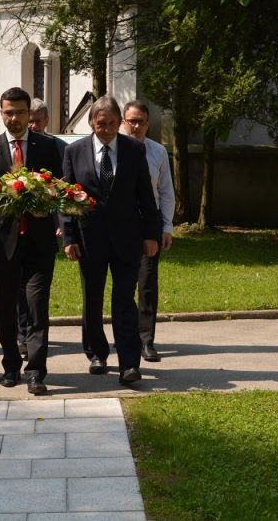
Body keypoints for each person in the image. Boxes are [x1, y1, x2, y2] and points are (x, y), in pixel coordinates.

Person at [61, 95, 160, 385]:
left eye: (113, 124)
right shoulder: (74, 152)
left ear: (120, 124)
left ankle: (130, 363)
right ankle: (97, 354)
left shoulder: (133, 149)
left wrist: (151, 235)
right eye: (101, 124)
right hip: (89, 239)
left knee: (123, 301)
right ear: (92, 123)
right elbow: (67, 198)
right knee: (92, 300)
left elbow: (146, 196)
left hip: (127, 240)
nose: (106, 130)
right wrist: (68, 236)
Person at [0, 87, 62, 396]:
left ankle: (36, 370)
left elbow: (60, 190)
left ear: (30, 115)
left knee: (37, 306)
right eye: (8, 112)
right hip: (2, 243)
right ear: (1, 114)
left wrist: (50, 211)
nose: (14, 118)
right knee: (6, 309)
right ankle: (11, 364)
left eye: (20, 112)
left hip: (39, 243)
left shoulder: (49, 147)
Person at [13, 98, 68, 359]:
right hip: (14, 232)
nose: (33, 124)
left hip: (42, 230)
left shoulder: (55, 147)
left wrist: (60, 224)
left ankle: (29, 337)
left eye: (37, 120)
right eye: (29, 119)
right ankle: (22, 333)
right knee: (17, 289)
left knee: (35, 291)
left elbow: (62, 187)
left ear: (46, 121)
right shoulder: (11, 147)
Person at [120, 100, 174, 362]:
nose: (137, 126)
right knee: (123, 286)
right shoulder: (114, 149)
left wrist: (166, 226)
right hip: (121, 225)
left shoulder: (158, 152)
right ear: (124, 121)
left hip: (149, 226)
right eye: (132, 121)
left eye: (141, 121)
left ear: (148, 123)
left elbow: (165, 191)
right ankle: (125, 337)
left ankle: (146, 340)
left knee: (147, 285)